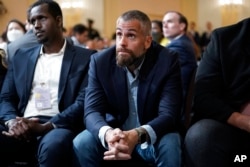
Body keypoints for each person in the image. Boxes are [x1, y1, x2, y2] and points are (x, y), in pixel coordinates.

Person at [73, 10, 183, 167]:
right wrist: (108, 134)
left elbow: (169, 114)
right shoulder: (100, 62)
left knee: (170, 143)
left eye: (131, 35)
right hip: (115, 135)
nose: (122, 42)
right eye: (119, 34)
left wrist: (136, 135)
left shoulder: (167, 60)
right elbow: (92, 111)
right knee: (82, 142)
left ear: (147, 42)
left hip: (152, 136)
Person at [0, 1, 96, 166]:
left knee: (53, 146)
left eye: (42, 19)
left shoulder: (86, 58)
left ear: (59, 21)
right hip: (22, 122)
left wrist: (46, 126)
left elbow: (83, 101)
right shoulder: (21, 56)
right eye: (32, 21)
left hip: (57, 124)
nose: (36, 25)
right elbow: (6, 97)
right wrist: (12, 122)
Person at [184, 18, 250, 167]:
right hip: (235, 129)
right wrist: (243, 121)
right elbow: (204, 97)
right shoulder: (225, 39)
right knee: (201, 136)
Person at [162, 11, 197, 130]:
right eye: (163, 23)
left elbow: (158, 71)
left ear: (182, 26)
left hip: (174, 105)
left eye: (169, 22)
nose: (165, 26)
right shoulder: (182, 42)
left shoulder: (179, 46)